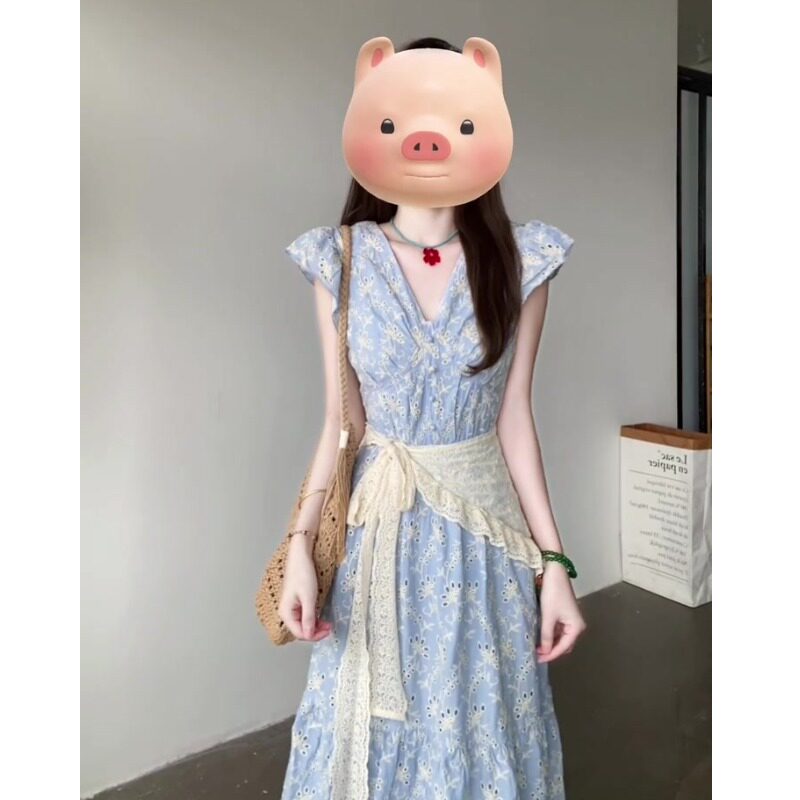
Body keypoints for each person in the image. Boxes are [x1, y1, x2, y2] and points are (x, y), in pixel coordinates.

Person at [278, 35, 587, 800]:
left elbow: (515, 419)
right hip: (376, 539)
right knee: (373, 738)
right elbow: (341, 423)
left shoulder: (521, 260)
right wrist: (298, 547)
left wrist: (555, 565)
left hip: (484, 545)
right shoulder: (340, 260)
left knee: (481, 731)